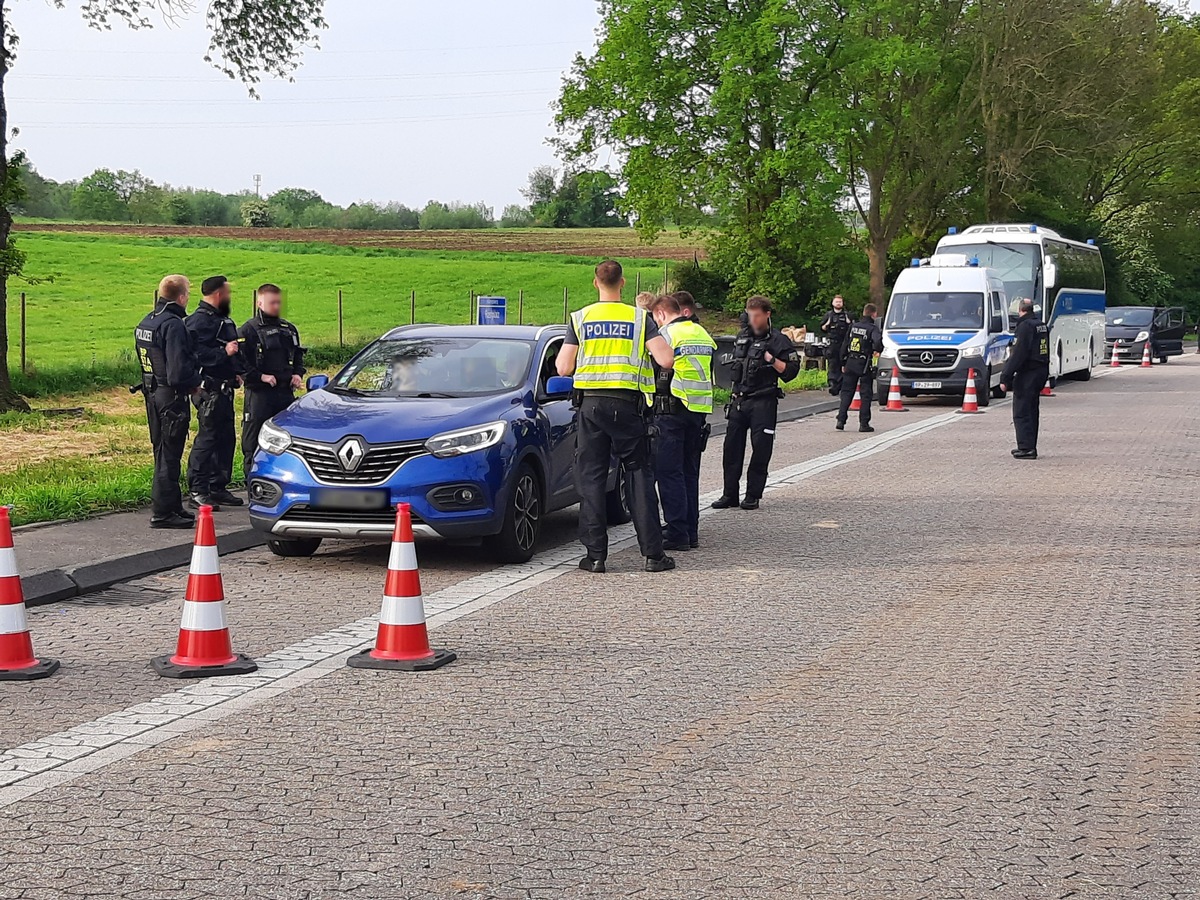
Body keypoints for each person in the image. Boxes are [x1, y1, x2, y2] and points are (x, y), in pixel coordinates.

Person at [556, 260, 677, 573]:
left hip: (590, 407)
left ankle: (595, 556)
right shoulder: (639, 318)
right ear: (622, 283)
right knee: (639, 475)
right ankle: (653, 555)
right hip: (628, 407)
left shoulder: (580, 318)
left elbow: (563, 367)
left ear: (596, 283)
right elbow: (666, 359)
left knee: (592, 478)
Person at [712, 296, 801, 511]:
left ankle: (753, 494)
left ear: (767, 314)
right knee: (731, 450)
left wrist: (771, 359)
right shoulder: (742, 336)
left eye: (757, 315)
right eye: (750, 315)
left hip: (764, 401)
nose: (753, 320)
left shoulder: (779, 340)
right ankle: (729, 494)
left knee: (761, 449)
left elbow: (791, 372)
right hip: (739, 401)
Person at [134, 275, 202, 529]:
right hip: (170, 397)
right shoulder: (173, 325)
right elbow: (177, 372)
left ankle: (173, 505)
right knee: (169, 455)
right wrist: (197, 382)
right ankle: (163, 513)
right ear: (182, 297)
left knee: (161, 450)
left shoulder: (147, 321)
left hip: (152, 393)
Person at [650, 294, 716, 551]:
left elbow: (657, 367)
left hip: (672, 409)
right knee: (690, 472)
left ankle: (677, 532)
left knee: (669, 473)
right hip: (698, 411)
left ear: (661, 314)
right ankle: (690, 530)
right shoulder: (701, 333)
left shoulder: (667, 335)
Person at [185, 275, 245, 509]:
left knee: (225, 439)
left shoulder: (222, 320)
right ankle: (198, 490)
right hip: (209, 390)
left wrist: (236, 371)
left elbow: (232, 348)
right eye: (228, 293)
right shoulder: (198, 322)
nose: (229, 297)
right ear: (219, 294)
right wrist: (225, 353)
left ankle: (218, 486)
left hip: (226, 388)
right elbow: (196, 355)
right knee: (207, 439)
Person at [238, 284, 305, 481]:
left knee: (286, 439)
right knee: (253, 441)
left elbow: (298, 355)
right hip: (259, 394)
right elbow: (241, 363)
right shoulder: (248, 330)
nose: (276, 306)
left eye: (279, 302)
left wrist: (297, 374)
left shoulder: (288, 329)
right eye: (272, 302)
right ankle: (252, 482)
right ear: (259, 303)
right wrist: (260, 376)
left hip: (285, 393)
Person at [1000, 298, 1050, 459]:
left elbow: (1018, 354)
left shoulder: (1024, 327)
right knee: (1032, 410)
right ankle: (1030, 445)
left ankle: (1026, 448)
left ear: (1020, 310)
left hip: (1028, 373)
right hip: (1041, 370)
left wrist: (1005, 376)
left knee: (1022, 411)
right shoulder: (1041, 325)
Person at [836, 303, 884, 433]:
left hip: (850, 362)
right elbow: (878, 343)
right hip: (864, 364)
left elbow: (844, 344)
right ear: (873, 314)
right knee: (866, 394)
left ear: (863, 313)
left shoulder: (853, 326)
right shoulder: (872, 328)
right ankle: (864, 423)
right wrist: (877, 349)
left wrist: (842, 363)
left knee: (846, 393)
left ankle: (841, 420)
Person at [821, 294, 851, 396]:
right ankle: (832, 383)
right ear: (833, 303)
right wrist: (827, 324)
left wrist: (849, 322)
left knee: (843, 363)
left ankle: (842, 383)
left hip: (844, 343)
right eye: (836, 301)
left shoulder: (847, 315)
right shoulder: (828, 315)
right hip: (832, 343)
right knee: (832, 363)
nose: (838, 303)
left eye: (840, 301)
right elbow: (822, 329)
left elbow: (852, 328)